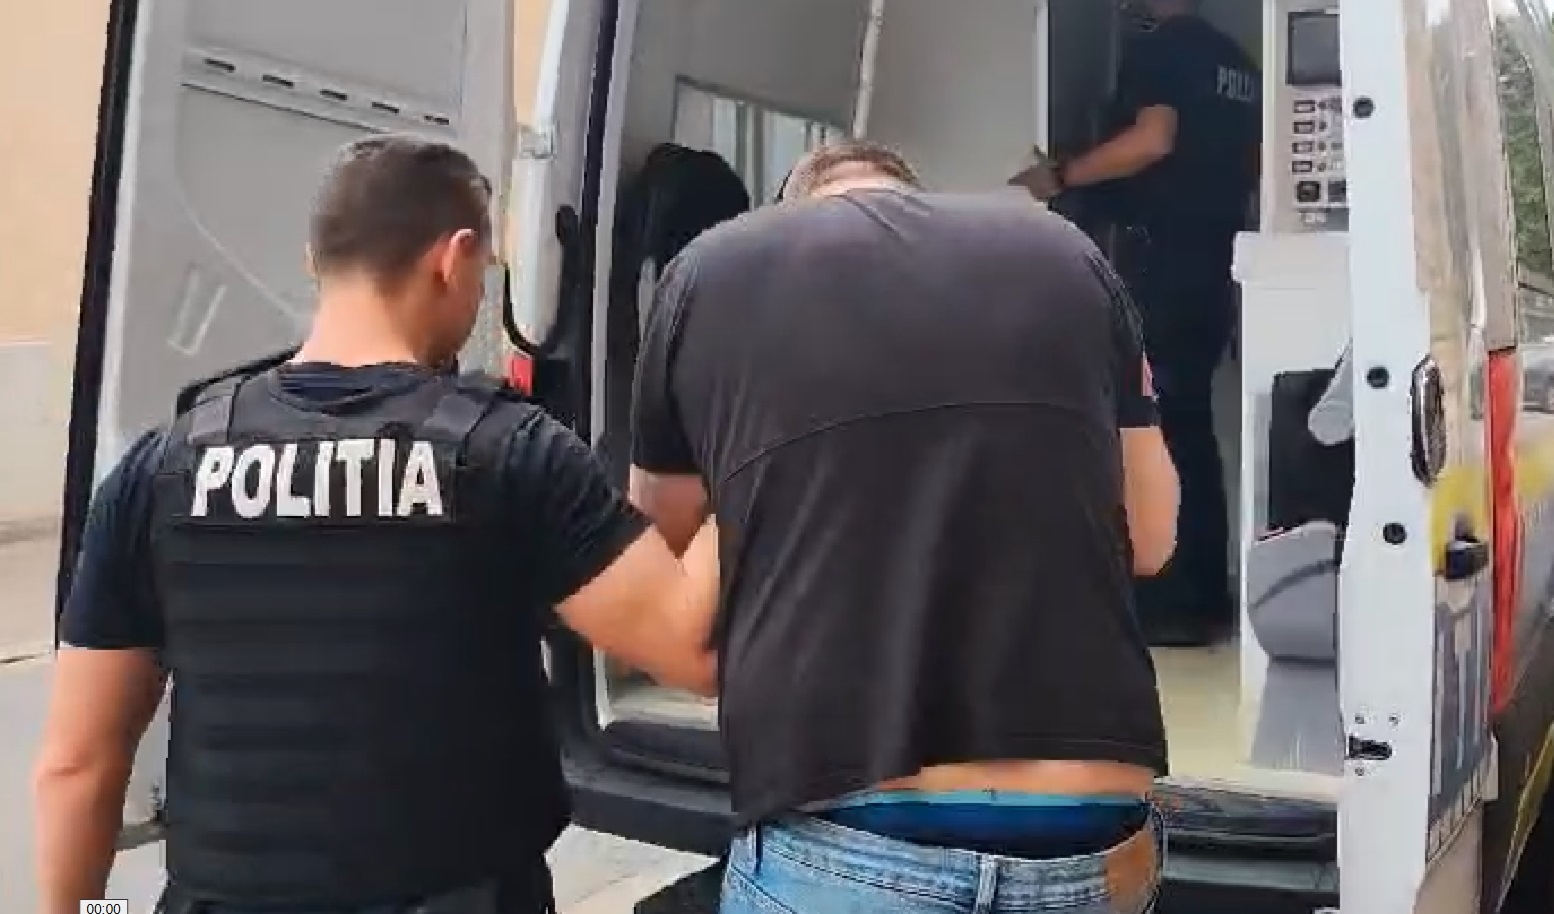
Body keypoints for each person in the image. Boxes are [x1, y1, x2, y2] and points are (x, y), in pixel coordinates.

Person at [33, 134, 721, 914]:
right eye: (486, 272)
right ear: (454, 259)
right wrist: (760, 458)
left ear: (314, 260)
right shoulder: (510, 454)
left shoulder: (163, 468)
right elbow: (690, 650)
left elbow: (77, 766)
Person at [629, 139, 1180, 914]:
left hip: (853, 832)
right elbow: (1152, 540)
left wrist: (767, 500)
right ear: (913, 199)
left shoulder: (714, 272)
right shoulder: (1064, 252)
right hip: (1090, 835)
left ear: (793, 214)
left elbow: (659, 559)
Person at [1018, 0, 1260, 646]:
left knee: (1149, 426)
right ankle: (1202, 594)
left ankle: (1166, 600)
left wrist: (1060, 176)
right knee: (1189, 424)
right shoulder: (1236, 62)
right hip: (1214, 266)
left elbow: (1153, 139)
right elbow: (1253, 162)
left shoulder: (1164, 51)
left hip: (1162, 263)